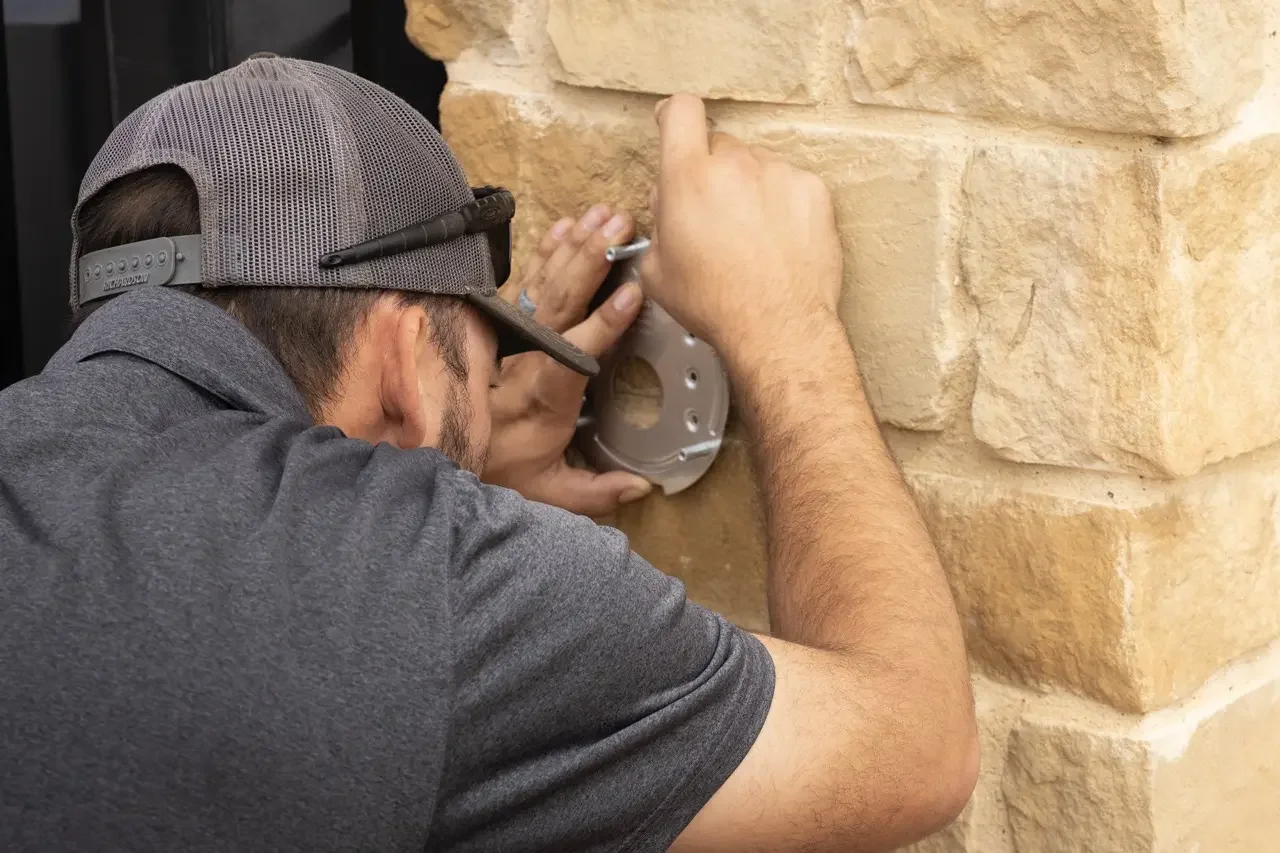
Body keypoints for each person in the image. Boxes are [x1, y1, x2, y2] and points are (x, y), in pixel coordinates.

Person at [0, 56, 977, 852]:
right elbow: (915, 748)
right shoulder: (407, 574)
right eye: (486, 345)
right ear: (397, 357)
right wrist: (784, 327)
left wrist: (454, 458)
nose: (501, 382)